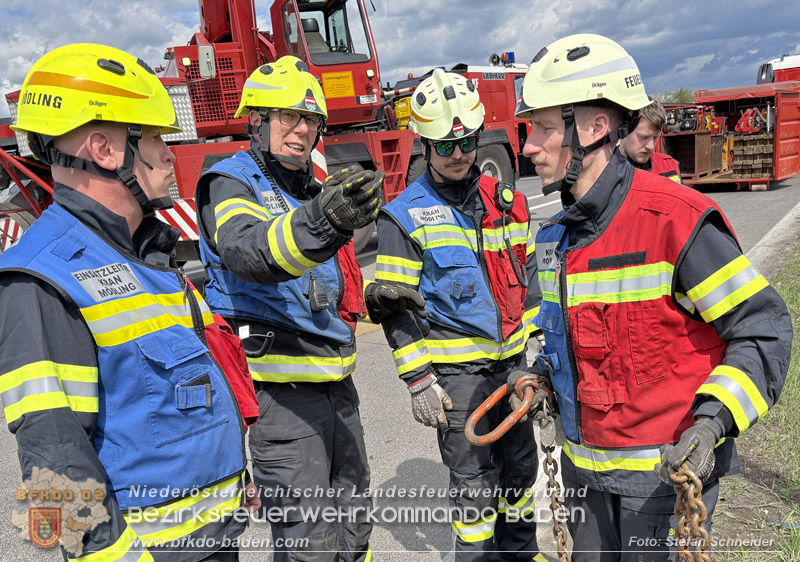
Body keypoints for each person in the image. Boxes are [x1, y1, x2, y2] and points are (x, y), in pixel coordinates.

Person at [511, 34, 791, 561]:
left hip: (664, 487)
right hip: (584, 484)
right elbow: (539, 326)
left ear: (594, 128)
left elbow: (763, 328)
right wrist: (531, 372)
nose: (528, 146)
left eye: (544, 129)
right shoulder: (551, 239)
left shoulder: (675, 222)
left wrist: (713, 423)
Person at [0, 44, 256, 562]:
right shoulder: (45, 277)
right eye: (158, 138)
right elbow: (53, 452)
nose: (169, 154)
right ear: (104, 149)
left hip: (210, 540)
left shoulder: (144, 256)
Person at [194, 55, 382, 562]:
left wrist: (375, 296)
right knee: (309, 544)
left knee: (354, 526)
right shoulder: (230, 181)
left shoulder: (311, 191)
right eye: (287, 118)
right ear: (256, 120)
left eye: (311, 121)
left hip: (336, 387)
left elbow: (334, 283)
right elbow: (248, 252)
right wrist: (323, 221)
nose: (301, 130)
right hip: (279, 397)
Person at [365, 68, 545, 562]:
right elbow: (393, 308)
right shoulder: (403, 217)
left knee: (520, 476)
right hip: (459, 378)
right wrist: (419, 380)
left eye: (466, 141)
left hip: (514, 368)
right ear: (425, 144)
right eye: (446, 146)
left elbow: (530, 283)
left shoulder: (507, 204)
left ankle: (520, 555)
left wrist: (537, 360)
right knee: (474, 487)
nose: (460, 154)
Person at [618, 98, 682, 182]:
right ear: (623, 130)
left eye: (655, 137)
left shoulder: (669, 166)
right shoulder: (605, 173)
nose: (651, 147)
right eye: (644, 137)